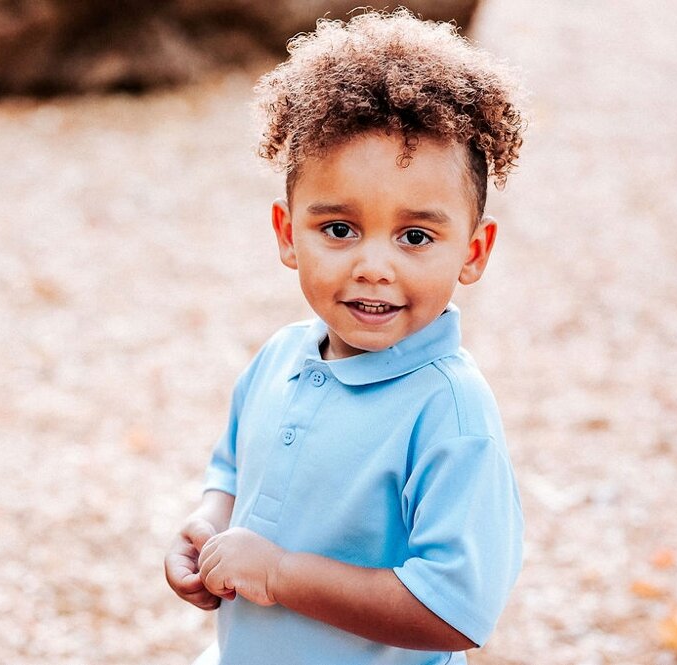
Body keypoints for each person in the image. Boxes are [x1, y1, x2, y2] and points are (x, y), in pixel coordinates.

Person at [164, 9, 526, 665]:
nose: (374, 265)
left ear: (473, 251)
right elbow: (232, 469)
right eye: (339, 229)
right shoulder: (280, 357)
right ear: (286, 233)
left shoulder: (448, 411)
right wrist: (209, 525)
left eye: (415, 236)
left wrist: (277, 574)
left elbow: (455, 608)